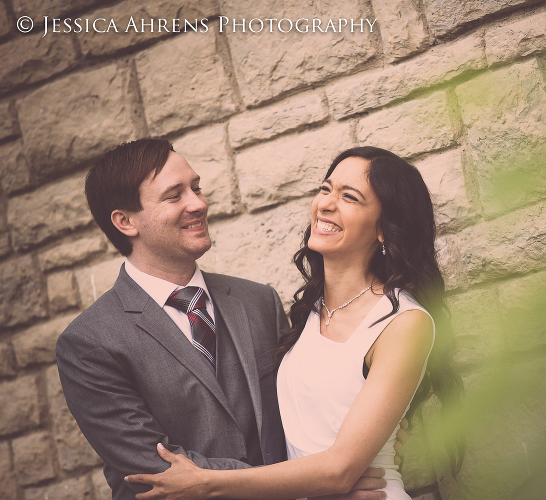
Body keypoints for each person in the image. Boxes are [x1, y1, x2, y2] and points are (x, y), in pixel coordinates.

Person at [56, 139, 391, 500]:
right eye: (174, 196)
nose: (198, 203)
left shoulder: (257, 301)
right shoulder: (88, 342)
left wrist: (366, 449)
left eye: (196, 188)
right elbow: (156, 471)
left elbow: (304, 405)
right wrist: (311, 482)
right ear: (125, 221)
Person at [126, 146, 464, 499]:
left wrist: (206, 482)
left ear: (384, 228)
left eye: (349, 197)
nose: (326, 204)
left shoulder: (404, 323)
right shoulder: (312, 311)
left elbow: (339, 470)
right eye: (325, 188)